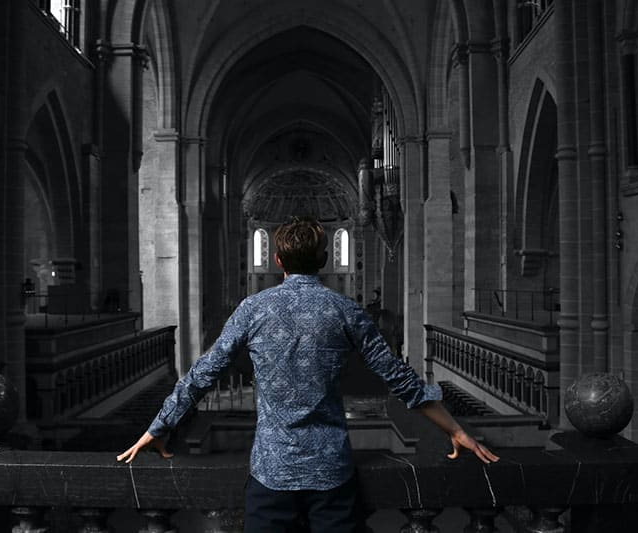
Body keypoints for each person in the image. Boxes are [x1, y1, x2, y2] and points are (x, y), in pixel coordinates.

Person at [117, 217, 498, 532]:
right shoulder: (344, 310)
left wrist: (159, 426)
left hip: (271, 474)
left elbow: (202, 374)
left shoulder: (253, 310)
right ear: (325, 258)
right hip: (331, 473)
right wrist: (455, 429)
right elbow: (402, 380)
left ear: (278, 260)